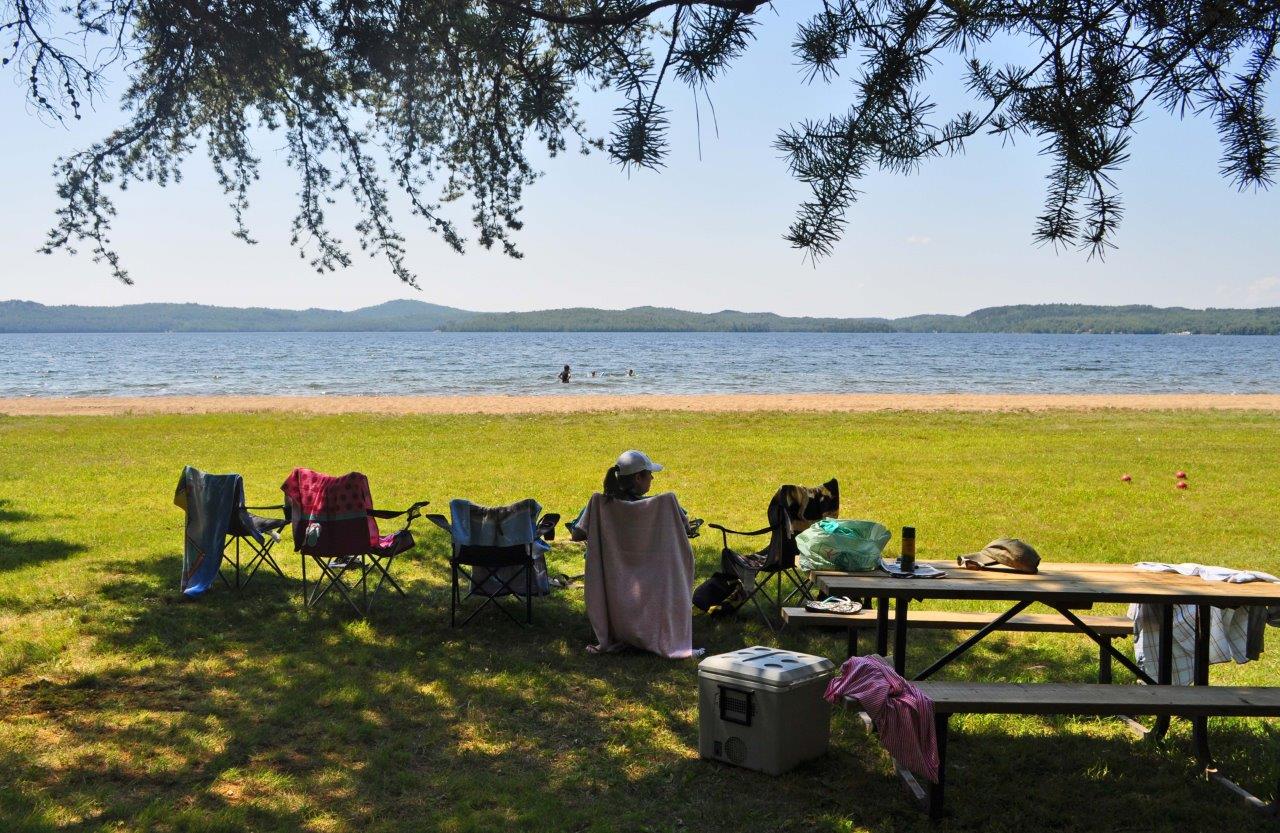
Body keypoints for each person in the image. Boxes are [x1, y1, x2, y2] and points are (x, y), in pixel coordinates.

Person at [567, 450, 701, 541]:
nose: (652, 478)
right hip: (650, 572)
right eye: (649, 474)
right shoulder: (661, 506)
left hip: (609, 575)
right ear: (638, 477)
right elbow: (685, 529)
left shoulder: (599, 506)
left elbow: (577, 535)